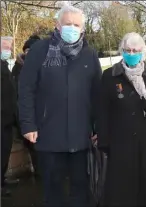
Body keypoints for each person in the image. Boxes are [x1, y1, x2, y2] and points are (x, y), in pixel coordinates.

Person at [17, 5, 102, 207]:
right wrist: (28, 124)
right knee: (53, 191)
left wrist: (97, 127)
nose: (72, 28)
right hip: (48, 134)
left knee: (80, 191)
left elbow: (97, 94)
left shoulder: (89, 54)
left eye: (76, 25)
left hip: (81, 137)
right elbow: (26, 89)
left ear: (82, 29)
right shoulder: (40, 50)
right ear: (57, 25)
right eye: (67, 24)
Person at [97, 32, 146, 207]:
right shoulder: (110, 76)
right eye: (127, 50)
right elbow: (102, 110)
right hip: (120, 141)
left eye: (135, 50)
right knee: (122, 187)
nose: (131, 54)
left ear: (142, 52)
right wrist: (104, 140)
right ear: (122, 51)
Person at [11, 35, 42, 179]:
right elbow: (18, 97)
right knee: (35, 149)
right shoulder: (18, 69)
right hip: (29, 119)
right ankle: (39, 173)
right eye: (28, 50)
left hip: (46, 118)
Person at [1, 36, 16, 197]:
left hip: (7, 118)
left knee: (5, 150)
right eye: (5, 47)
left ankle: (2, 179)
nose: (8, 50)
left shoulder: (4, 65)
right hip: (2, 117)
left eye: (9, 48)